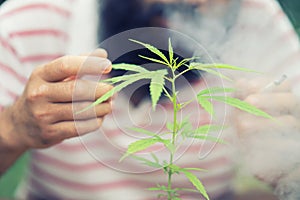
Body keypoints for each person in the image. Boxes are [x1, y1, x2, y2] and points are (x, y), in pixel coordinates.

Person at [0, 0, 299, 199]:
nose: (197, 4)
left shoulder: (255, 13)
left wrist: (288, 164)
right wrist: (13, 128)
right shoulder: (36, 14)